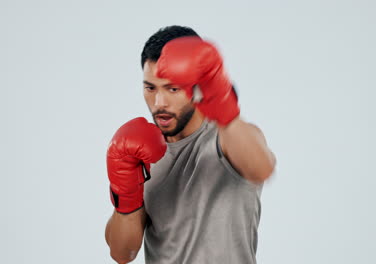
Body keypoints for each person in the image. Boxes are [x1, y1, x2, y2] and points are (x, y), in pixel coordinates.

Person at [104, 25, 276, 264]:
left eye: (173, 89)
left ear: (196, 85)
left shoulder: (227, 138)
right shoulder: (141, 151)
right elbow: (123, 254)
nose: (159, 102)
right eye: (150, 88)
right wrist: (125, 195)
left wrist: (223, 107)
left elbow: (261, 168)